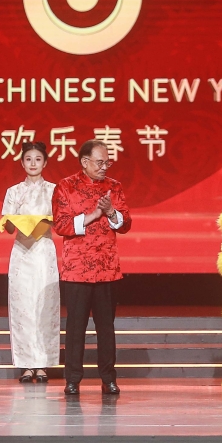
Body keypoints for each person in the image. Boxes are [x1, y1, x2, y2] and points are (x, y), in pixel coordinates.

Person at [52, 139, 132, 396]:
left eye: (107, 162)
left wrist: (110, 212)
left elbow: (126, 223)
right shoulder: (66, 186)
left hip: (107, 268)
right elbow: (61, 225)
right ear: (84, 162)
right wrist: (93, 216)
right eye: (100, 162)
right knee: (75, 328)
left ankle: (108, 378)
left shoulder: (114, 187)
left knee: (106, 328)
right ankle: (72, 379)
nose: (104, 166)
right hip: (76, 269)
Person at [1, 142, 60, 383]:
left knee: (45, 307)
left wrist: (45, 222)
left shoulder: (55, 190)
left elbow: (61, 221)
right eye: (28, 159)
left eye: (38, 159)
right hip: (22, 252)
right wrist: (12, 221)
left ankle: (43, 364)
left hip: (44, 251)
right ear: (22, 163)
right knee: (23, 308)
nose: (33, 163)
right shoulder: (13, 191)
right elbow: (6, 226)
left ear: (45, 163)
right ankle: (26, 365)